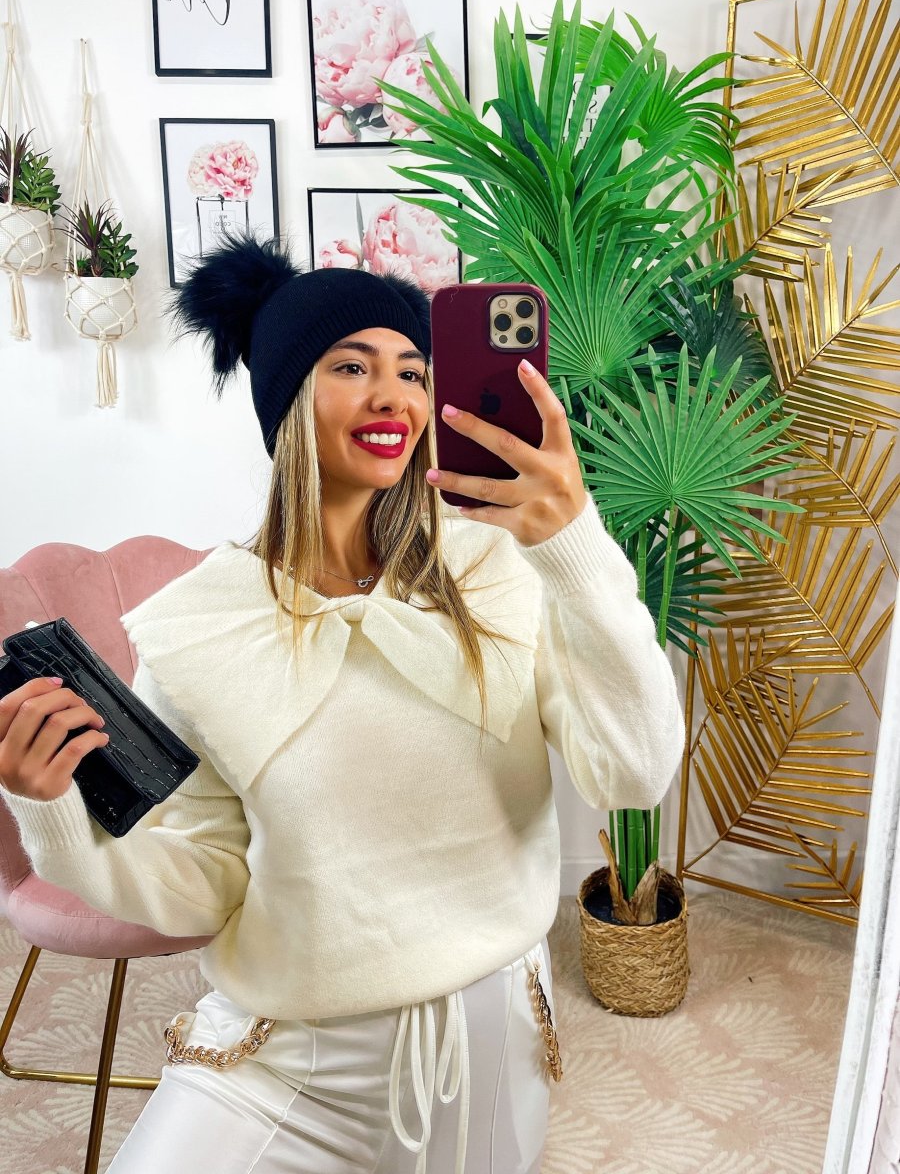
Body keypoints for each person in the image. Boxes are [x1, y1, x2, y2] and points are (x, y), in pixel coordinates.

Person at [0, 234, 686, 1173]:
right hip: (283, 1053)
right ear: (287, 399)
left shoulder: (501, 568)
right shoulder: (196, 629)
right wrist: (54, 817)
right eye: (352, 366)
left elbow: (635, 771)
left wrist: (574, 545)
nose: (393, 395)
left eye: (413, 371)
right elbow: (206, 880)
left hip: (483, 1048)